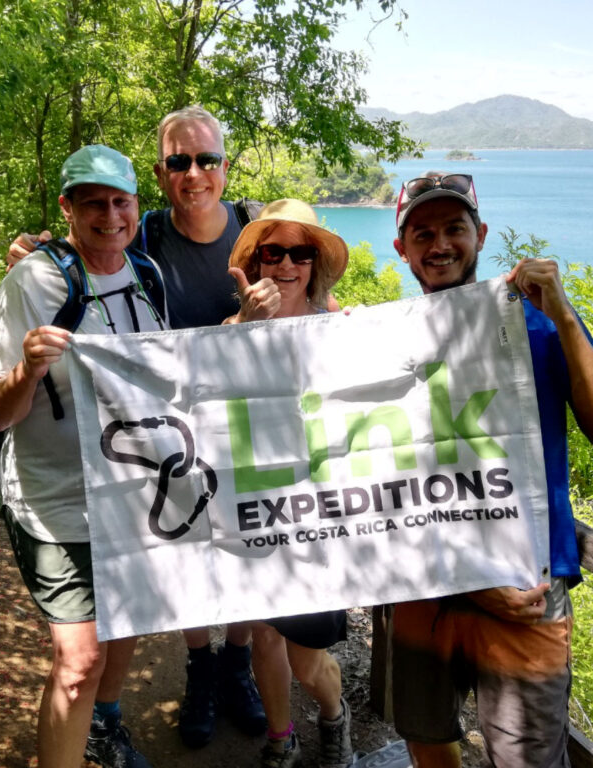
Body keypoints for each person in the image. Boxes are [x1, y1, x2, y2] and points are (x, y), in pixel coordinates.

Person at [6, 105, 267, 749]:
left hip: (226, 435)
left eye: (207, 159)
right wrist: (33, 261)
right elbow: (87, 254)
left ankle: (226, 675)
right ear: (163, 173)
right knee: (112, 632)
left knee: (213, 580)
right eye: (179, 162)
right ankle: (195, 675)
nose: (195, 172)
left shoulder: (258, 231)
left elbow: (315, 292)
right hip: (125, 464)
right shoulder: (140, 243)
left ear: (226, 168)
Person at [388, 172, 593, 768]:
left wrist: (565, 313)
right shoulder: (384, 341)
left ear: (480, 234)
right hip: (427, 580)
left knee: (529, 759)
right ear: (403, 249)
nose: (439, 244)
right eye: (423, 233)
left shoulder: (541, 322)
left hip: (529, 585)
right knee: (428, 738)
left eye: (454, 228)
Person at [0, 145, 165, 768]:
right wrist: (28, 368)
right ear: (67, 208)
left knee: (128, 620)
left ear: (138, 206)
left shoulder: (148, 276)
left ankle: (104, 727)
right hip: (54, 498)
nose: (109, 215)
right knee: (79, 660)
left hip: (132, 493)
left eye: (121, 201)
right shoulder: (32, 282)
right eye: (93, 203)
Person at [224, 199, 354, 768]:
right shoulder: (230, 329)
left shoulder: (341, 328)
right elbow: (205, 400)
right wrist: (248, 331)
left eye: (299, 253)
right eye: (272, 252)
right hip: (254, 507)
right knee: (261, 636)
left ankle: (333, 715)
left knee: (307, 659)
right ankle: (282, 736)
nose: (285, 265)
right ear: (254, 262)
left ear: (314, 264)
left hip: (319, 517)